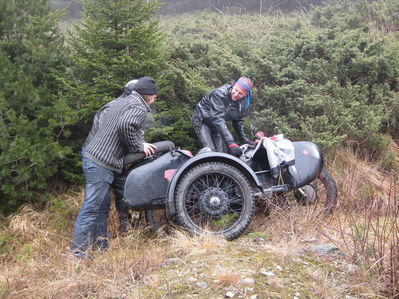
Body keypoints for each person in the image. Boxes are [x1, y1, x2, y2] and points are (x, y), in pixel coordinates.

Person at [70, 76, 158, 258]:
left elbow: (127, 127)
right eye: (155, 96)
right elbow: (126, 125)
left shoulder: (122, 102)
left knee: (100, 208)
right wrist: (139, 146)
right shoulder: (139, 107)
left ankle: (100, 248)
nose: (155, 99)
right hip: (100, 162)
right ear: (149, 96)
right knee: (91, 207)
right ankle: (77, 253)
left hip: (94, 158)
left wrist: (139, 141)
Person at [80, 79, 139, 241]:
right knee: (100, 206)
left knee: (125, 196)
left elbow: (133, 133)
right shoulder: (111, 109)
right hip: (100, 161)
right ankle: (97, 244)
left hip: (118, 161)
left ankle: (125, 231)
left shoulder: (131, 108)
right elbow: (107, 140)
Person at [192, 77, 254, 157]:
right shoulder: (219, 94)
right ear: (234, 85)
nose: (236, 94)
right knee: (210, 151)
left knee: (222, 153)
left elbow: (238, 122)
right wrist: (231, 143)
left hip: (216, 125)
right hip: (202, 120)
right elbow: (218, 119)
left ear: (245, 95)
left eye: (240, 93)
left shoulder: (242, 103)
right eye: (236, 90)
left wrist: (245, 140)